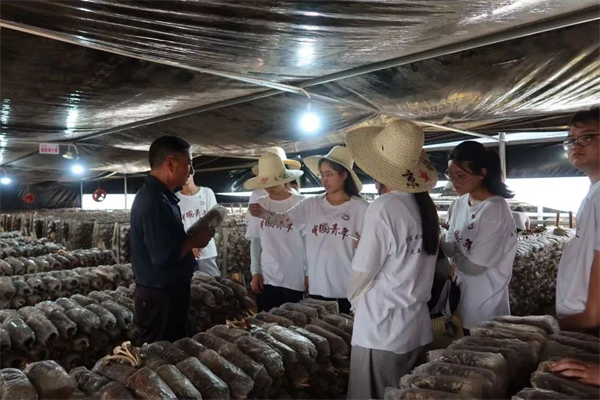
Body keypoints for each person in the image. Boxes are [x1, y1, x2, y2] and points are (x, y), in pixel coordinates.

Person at [344, 120, 440, 400]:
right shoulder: (425, 206)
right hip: (416, 326)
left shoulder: (384, 206)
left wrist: (354, 301)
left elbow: (362, 272)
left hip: (381, 329)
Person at [249, 146, 368, 314]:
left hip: (349, 287)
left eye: (330, 174)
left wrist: (365, 243)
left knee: (347, 328)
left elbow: (373, 245)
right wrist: (263, 214)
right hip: (318, 287)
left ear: (344, 175)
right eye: (322, 175)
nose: (325, 180)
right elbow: (283, 220)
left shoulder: (361, 208)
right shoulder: (311, 204)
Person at [130, 136, 215, 343]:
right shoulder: (154, 202)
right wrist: (194, 240)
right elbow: (163, 256)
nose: (191, 171)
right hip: (160, 296)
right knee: (160, 350)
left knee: (172, 347)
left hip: (167, 292)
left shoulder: (162, 197)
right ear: (170, 164)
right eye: (188, 164)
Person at [440, 141, 517, 333]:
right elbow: (450, 243)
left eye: (461, 176)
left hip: (486, 304)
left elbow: (474, 268)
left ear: (482, 173)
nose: (454, 181)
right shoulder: (460, 203)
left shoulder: (494, 210)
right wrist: (448, 248)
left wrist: (454, 254)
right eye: (450, 175)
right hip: (463, 298)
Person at [555, 108, 600, 332]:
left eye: (587, 137)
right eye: (571, 140)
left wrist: (590, 316)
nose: (576, 145)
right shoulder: (594, 192)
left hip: (589, 320)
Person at [244, 152, 306, 311]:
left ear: (284, 179)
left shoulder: (301, 203)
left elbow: (308, 242)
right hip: (268, 275)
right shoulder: (259, 204)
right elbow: (256, 239)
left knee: (294, 321)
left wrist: (308, 273)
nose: (269, 185)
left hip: (294, 275)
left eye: (273, 180)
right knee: (267, 321)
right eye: (266, 181)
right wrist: (255, 271)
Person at [176, 172, 220, 276]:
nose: (185, 175)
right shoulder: (175, 198)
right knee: (189, 283)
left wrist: (198, 242)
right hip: (186, 253)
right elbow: (176, 227)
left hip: (206, 251)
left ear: (192, 172)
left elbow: (213, 220)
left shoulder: (207, 193)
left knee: (212, 282)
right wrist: (190, 244)